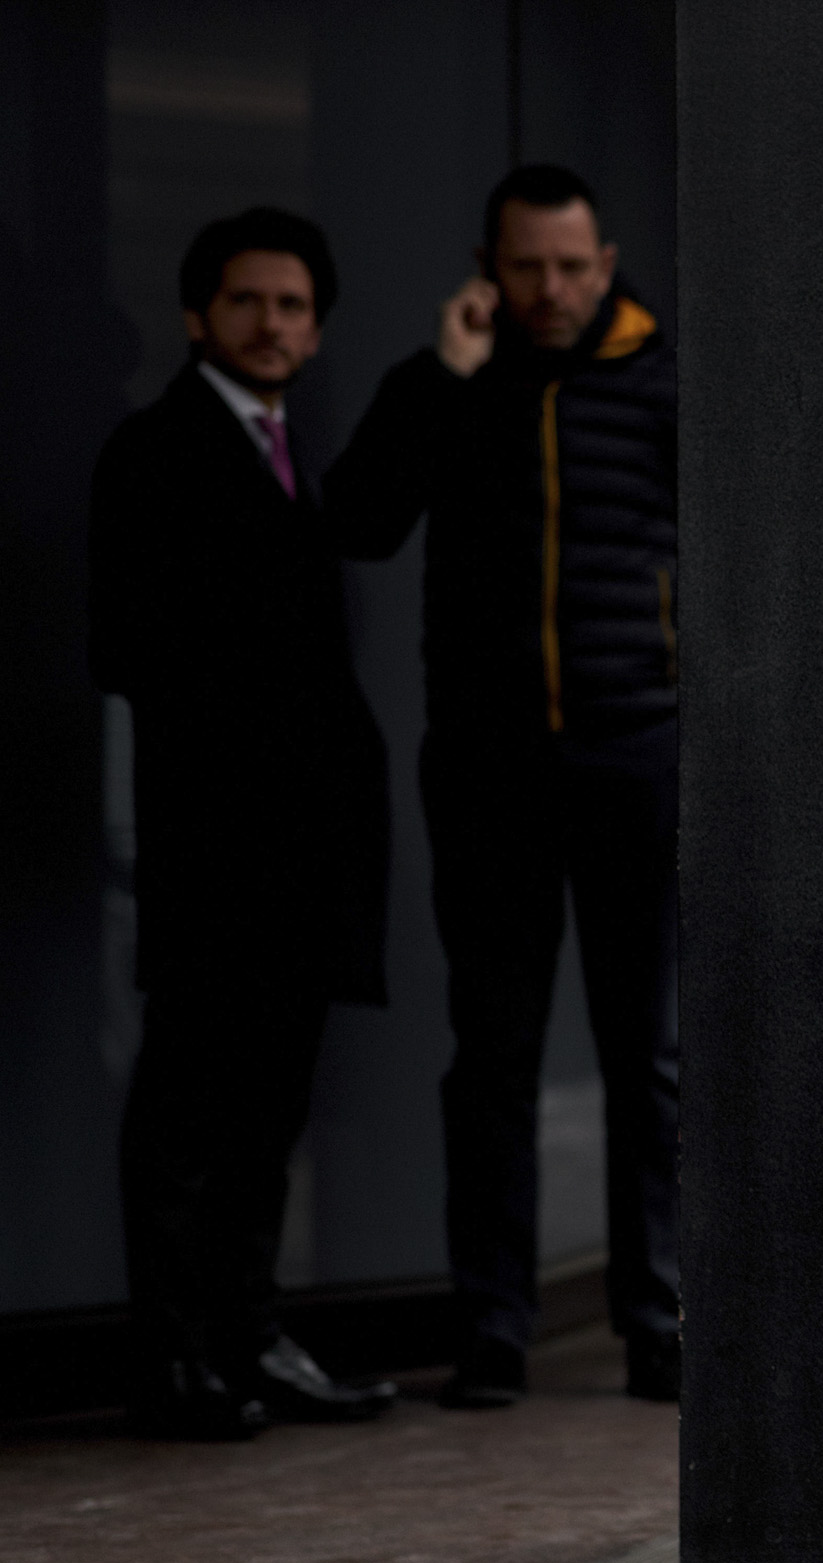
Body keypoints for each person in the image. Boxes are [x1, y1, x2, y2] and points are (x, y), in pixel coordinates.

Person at [324, 166, 679, 1408]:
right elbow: (358, 521)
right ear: (488, 269)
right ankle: (492, 1329)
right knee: (491, 1060)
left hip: (638, 759)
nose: (552, 290)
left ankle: (660, 1318)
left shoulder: (666, 383)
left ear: (606, 261)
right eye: (527, 267)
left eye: (572, 266)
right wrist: (444, 378)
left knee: (652, 1059)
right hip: (490, 770)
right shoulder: (447, 387)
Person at [89, 208, 397, 1439]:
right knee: (186, 1109)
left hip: (301, 849)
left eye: (292, 305)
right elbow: (129, 646)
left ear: (316, 330)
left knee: (270, 1109)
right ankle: (176, 1361)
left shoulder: (288, 450)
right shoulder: (155, 450)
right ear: (196, 316)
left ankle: (250, 1337)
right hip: (218, 844)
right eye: (247, 301)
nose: (271, 323)